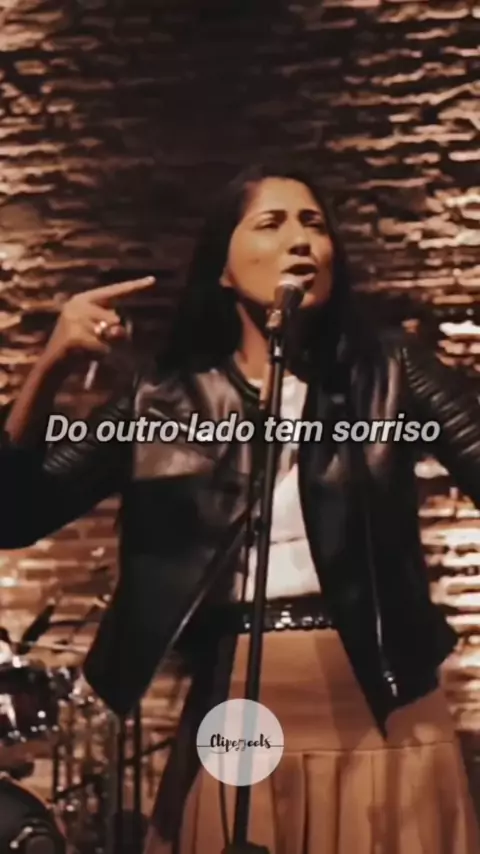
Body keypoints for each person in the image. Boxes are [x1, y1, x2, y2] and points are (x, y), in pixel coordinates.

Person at [0, 161, 480, 854]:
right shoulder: (163, 400)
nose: (300, 240)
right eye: (271, 223)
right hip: (240, 711)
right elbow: (13, 517)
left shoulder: (389, 372)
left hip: (384, 705)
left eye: (315, 224)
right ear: (222, 270)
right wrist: (52, 366)